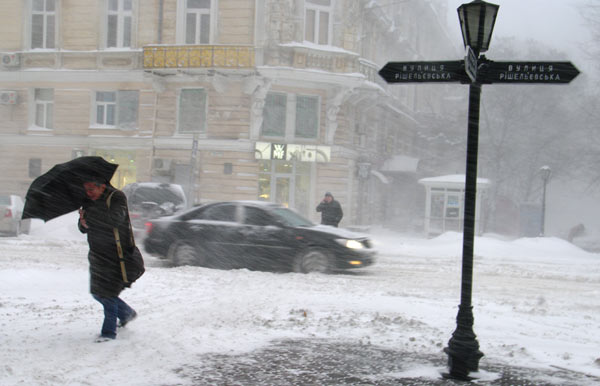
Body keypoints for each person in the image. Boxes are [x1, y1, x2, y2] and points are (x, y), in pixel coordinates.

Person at [78, 177, 138, 342]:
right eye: (86, 190)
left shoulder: (116, 197)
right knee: (97, 293)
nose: (88, 193)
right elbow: (83, 227)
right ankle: (126, 312)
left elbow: (114, 219)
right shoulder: (88, 201)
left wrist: (89, 217)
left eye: (91, 189)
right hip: (96, 254)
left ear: (102, 186)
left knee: (108, 293)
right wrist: (83, 223)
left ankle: (108, 333)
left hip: (115, 254)